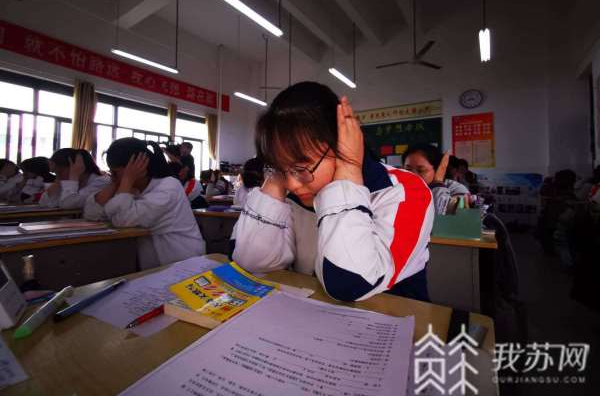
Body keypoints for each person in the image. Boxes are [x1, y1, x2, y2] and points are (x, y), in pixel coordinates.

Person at [231, 82, 434, 302]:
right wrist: (275, 173)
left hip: (393, 317)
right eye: (281, 169)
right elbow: (250, 261)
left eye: (301, 169)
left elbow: (349, 283)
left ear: (342, 144)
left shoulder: (406, 191)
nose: (292, 185)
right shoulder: (290, 191)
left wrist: (348, 169)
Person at [84, 138, 205, 268]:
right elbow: (91, 213)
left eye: (115, 172)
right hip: (157, 267)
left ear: (139, 166)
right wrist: (114, 183)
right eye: (111, 172)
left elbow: (122, 220)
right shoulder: (129, 187)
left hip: (185, 264)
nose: (113, 177)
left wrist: (126, 181)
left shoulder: (168, 187)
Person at [403, 143, 470, 215]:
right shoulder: (400, 190)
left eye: (421, 170)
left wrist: (437, 183)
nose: (413, 176)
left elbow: (445, 216)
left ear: (437, 170)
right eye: (408, 170)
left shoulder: (457, 190)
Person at [39, 149, 109, 209]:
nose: (58, 176)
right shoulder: (68, 182)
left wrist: (73, 178)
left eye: (60, 172)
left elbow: (67, 204)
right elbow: (43, 203)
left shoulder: (101, 182)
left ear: (76, 167)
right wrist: (57, 182)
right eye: (56, 173)